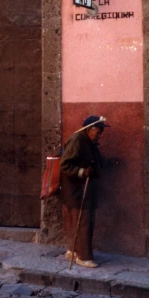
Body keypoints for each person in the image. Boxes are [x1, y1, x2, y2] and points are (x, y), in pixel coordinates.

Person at [59, 115, 110, 268]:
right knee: (85, 221)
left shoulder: (89, 141)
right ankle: (84, 257)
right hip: (76, 188)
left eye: (101, 132)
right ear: (89, 129)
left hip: (83, 188)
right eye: (98, 132)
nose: (100, 135)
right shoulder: (77, 140)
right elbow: (65, 165)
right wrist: (82, 171)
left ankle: (73, 250)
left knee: (80, 221)